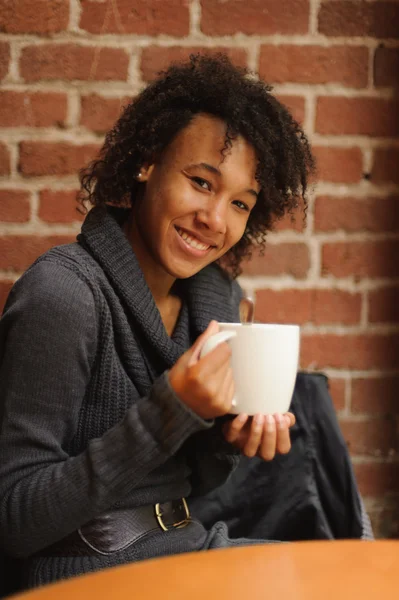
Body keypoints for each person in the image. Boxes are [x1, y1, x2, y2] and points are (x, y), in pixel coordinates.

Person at [0, 54, 314, 592]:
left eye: (240, 203)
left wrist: (227, 439)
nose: (215, 220)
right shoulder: (67, 295)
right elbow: (14, 519)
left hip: (185, 551)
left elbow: (187, 485)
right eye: (200, 182)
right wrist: (173, 410)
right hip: (84, 576)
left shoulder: (212, 304)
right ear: (147, 162)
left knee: (362, 575)